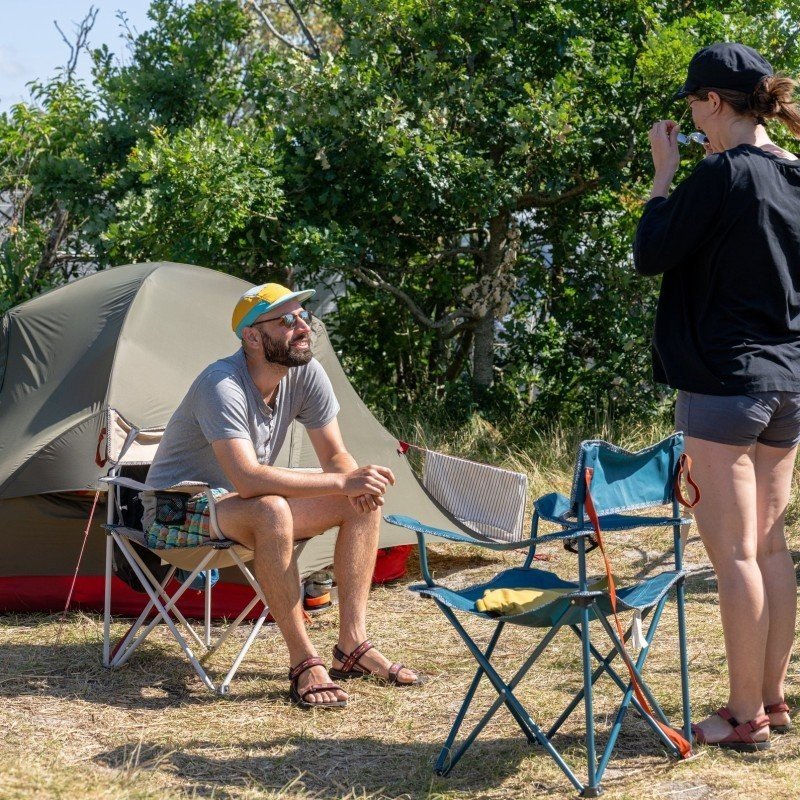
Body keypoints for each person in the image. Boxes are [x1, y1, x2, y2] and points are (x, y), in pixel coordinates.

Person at [142, 282, 420, 708]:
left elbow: (335, 455)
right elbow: (249, 479)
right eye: (288, 320)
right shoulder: (221, 384)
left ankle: (352, 645)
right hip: (175, 512)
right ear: (252, 337)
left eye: (303, 317)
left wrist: (353, 483)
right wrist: (342, 482)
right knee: (273, 508)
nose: (303, 327)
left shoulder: (305, 373)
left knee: (360, 499)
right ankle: (304, 661)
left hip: (239, 508)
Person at [634, 42, 800, 751]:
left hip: (724, 385)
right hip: (788, 381)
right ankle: (772, 700)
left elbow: (651, 253)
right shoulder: (795, 173)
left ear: (712, 101)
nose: (692, 119)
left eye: (694, 105)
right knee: (770, 548)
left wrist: (663, 176)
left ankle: (741, 716)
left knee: (734, 557)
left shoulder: (720, 174)